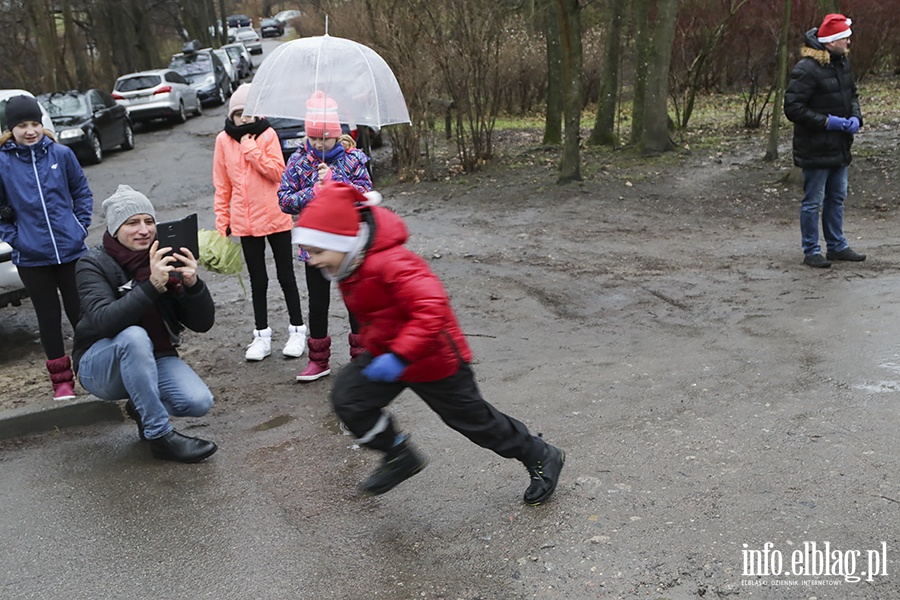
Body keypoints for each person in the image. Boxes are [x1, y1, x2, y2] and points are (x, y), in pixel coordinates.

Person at [292, 182, 565, 505]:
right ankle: (398, 454)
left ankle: (540, 454)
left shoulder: (392, 262)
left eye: (319, 251)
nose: (313, 260)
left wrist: (400, 354)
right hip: (387, 353)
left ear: (345, 240)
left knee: (475, 423)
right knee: (348, 397)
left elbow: (431, 307)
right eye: (309, 252)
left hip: (433, 357)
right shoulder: (350, 263)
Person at [72, 185, 217, 463]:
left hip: (154, 357)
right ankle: (160, 435)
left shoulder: (164, 258)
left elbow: (202, 324)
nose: (144, 230)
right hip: (100, 363)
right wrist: (151, 285)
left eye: (149, 221)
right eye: (132, 223)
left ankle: (142, 406)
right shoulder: (92, 264)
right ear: (115, 229)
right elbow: (104, 323)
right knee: (134, 337)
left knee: (199, 401)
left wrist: (193, 284)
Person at [0, 94, 93, 400]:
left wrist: (79, 227)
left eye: (35, 123)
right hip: (31, 258)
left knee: (81, 314)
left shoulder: (61, 154)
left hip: (71, 251)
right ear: (10, 128)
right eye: (22, 125)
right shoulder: (3, 163)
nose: (30, 130)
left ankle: (91, 371)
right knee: (48, 317)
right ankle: (61, 381)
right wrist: (15, 237)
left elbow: (81, 191)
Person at [278, 91, 372, 382]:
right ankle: (319, 361)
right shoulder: (298, 161)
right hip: (316, 248)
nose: (318, 144)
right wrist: (313, 192)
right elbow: (284, 200)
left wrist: (335, 185)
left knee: (355, 302)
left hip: (349, 246)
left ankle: (361, 358)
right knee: (317, 304)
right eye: (314, 138)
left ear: (336, 134)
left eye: (324, 138)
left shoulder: (354, 159)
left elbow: (367, 197)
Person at [214, 83, 308, 361]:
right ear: (232, 115)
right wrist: (223, 223)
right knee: (258, 280)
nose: (244, 118)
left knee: (286, 276)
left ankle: (297, 330)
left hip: (275, 217)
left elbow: (278, 172)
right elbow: (222, 185)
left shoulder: (267, 134)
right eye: (239, 113)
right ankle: (261, 336)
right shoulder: (222, 140)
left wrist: (252, 149)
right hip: (245, 223)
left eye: (249, 112)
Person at [784, 13, 866, 269]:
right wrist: (827, 122)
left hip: (840, 145)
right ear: (831, 41)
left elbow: (852, 94)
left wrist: (855, 117)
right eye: (845, 38)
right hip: (815, 147)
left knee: (836, 197)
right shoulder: (806, 69)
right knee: (813, 201)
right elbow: (793, 108)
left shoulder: (842, 63)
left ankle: (837, 245)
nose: (848, 43)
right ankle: (811, 249)